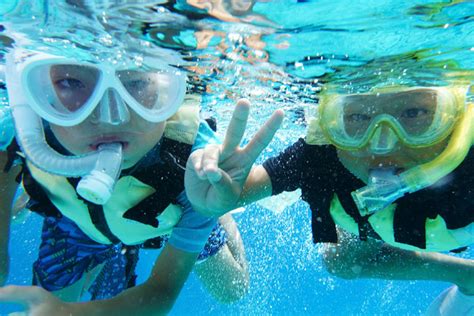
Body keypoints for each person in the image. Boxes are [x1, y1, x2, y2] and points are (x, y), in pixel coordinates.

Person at [0, 46, 249, 315]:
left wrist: (205, 206)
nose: (109, 117)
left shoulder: (196, 165)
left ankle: (216, 214)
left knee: (231, 290)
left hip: (168, 217)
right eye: (71, 82)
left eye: (137, 82)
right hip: (74, 219)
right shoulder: (25, 129)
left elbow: (162, 291)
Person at [185, 85, 474, 315]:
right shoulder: (319, 156)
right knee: (341, 263)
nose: (383, 144)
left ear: (451, 118)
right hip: (374, 224)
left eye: (414, 113)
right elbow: (232, 194)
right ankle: (469, 277)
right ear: (331, 125)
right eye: (358, 118)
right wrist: (212, 196)